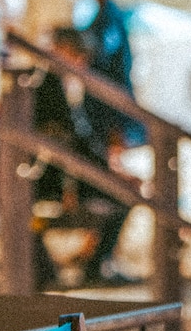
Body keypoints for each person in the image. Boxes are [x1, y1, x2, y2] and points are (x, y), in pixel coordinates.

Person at [32, 26, 130, 286]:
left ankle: (97, 262)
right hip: (51, 174)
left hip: (62, 171)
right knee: (125, 194)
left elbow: (80, 138)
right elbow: (75, 139)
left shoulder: (59, 84)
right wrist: (108, 169)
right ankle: (97, 263)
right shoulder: (48, 85)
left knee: (125, 193)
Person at [73, 0, 145, 151]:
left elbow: (108, 54)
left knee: (110, 150)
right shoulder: (100, 12)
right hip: (100, 94)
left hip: (110, 95)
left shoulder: (110, 15)